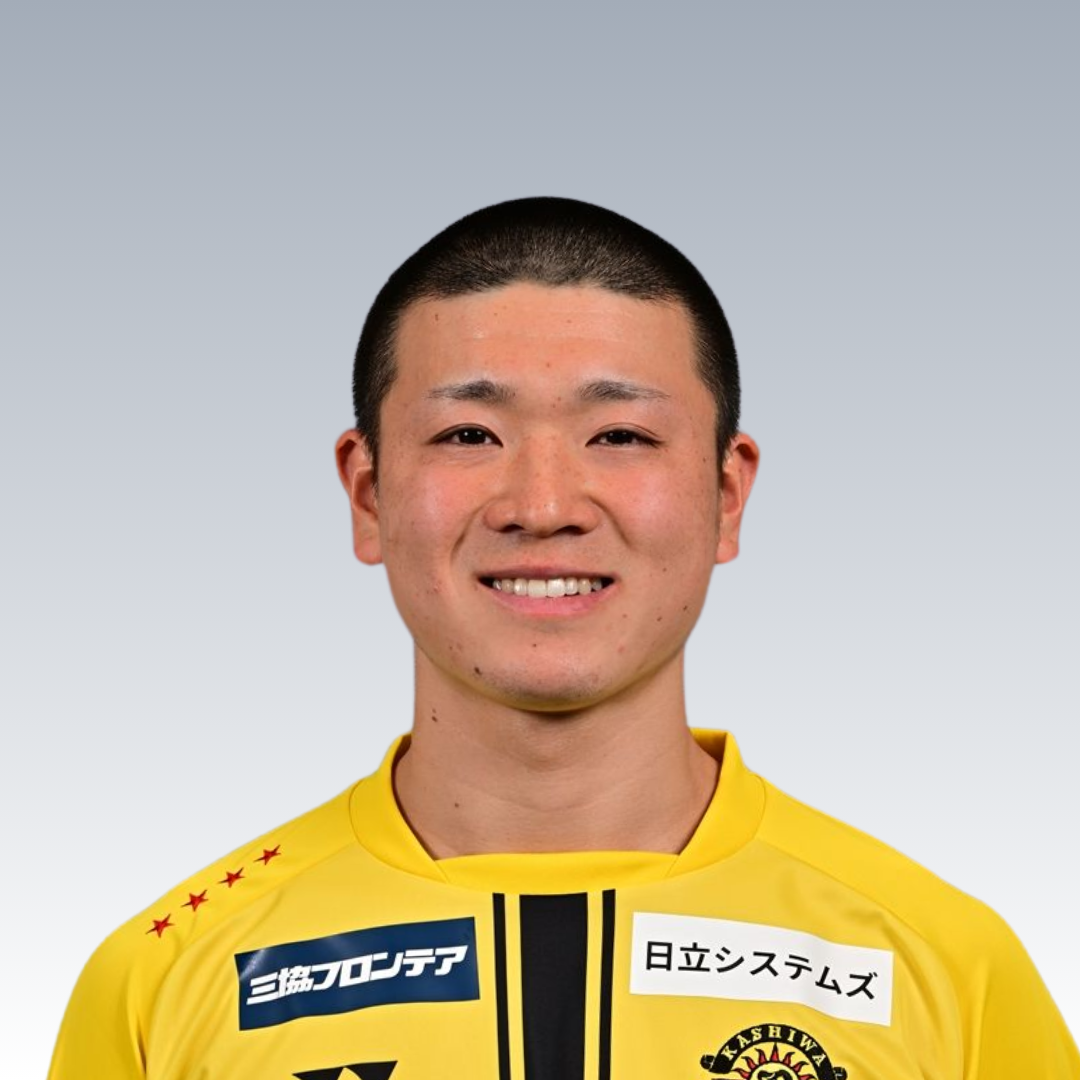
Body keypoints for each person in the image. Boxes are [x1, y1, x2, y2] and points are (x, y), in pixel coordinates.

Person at [48, 197, 1078, 1080]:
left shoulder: (949, 968)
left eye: (619, 435)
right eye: (469, 435)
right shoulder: (165, 978)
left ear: (726, 496)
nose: (542, 506)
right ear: (368, 494)